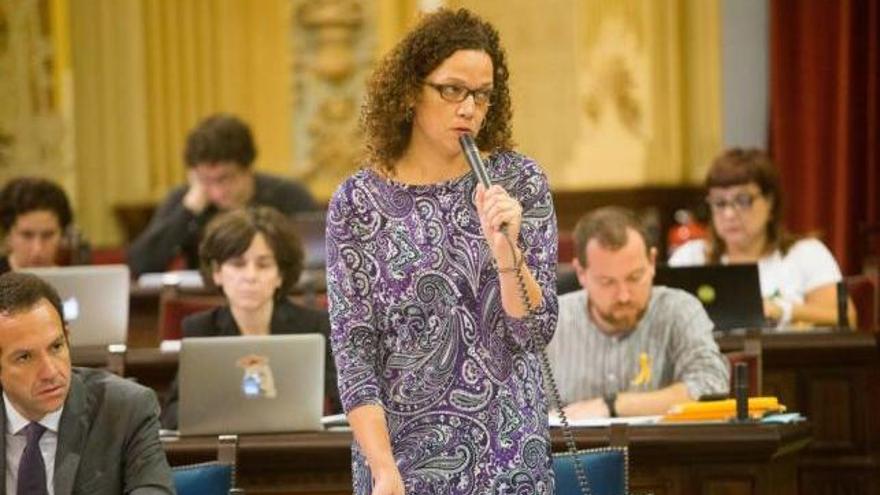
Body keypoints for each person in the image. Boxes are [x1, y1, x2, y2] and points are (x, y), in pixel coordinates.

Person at [327, 9, 558, 495]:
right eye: (452, 90)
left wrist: (506, 251)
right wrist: (382, 467)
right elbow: (355, 350)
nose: (469, 108)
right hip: (401, 461)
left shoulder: (518, 182)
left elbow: (533, 330)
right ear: (411, 90)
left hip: (509, 452)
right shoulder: (356, 203)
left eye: (482, 95)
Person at [160, 206, 339, 429]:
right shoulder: (202, 329)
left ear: (280, 275)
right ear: (217, 272)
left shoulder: (315, 326)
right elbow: (172, 416)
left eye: (263, 265)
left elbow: (344, 405)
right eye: (238, 264)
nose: (250, 276)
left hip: (297, 450)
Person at [547, 207, 729, 419]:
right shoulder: (552, 322)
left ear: (652, 262)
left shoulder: (680, 310)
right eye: (607, 282)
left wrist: (614, 405)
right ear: (581, 273)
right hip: (576, 451)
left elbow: (712, 385)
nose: (624, 295)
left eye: (634, 277)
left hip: (662, 450)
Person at [0, 272, 174, 494]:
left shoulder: (125, 410)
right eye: (25, 357)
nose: (50, 372)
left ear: (68, 337)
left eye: (56, 347)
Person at [669, 148, 855, 327]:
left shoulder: (805, 253)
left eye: (742, 201)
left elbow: (846, 318)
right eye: (719, 202)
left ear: (770, 203)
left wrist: (783, 310)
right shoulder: (690, 257)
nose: (728, 214)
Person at [128, 113, 318, 276]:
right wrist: (188, 211)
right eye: (205, 180)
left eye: (225, 179)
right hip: (204, 305)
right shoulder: (185, 201)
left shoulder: (289, 195)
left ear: (247, 168)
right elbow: (140, 266)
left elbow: (324, 259)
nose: (217, 192)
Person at [0, 177, 74, 274]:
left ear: (62, 235)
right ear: (8, 235)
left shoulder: (72, 284)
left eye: (48, 235)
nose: (37, 249)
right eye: (26, 235)